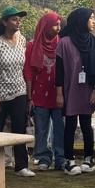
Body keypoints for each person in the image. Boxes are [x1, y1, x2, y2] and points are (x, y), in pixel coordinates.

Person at [0, 6, 33, 176]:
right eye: (14, 19)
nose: (18, 22)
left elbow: (25, 67)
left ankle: (21, 165)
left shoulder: (21, 40)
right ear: (4, 22)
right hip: (0, 92)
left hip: (18, 90)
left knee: (19, 128)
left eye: (19, 19)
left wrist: (28, 92)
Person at [55, 8, 95, 175]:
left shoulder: (94, 42)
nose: (93, 22)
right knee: (70, 125)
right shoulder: (64, 42)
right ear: (81, 21)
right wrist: (59, 94)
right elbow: (59, 71)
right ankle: (69, 160)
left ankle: (89, 158)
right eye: (91, 18)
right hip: (70, 90)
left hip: (88, 90)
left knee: (87, 124)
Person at [25, 11, 64, 170]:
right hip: (39, 94)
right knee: (41, 128)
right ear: (46, 26)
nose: (58, 28)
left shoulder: (61, 44)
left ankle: (60, 157)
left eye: (59, 24)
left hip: (58, 94)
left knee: (59, 127)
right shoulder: (32, 46)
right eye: (55, 24)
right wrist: (29, 97)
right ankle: (42, 157)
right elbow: (28, 72)